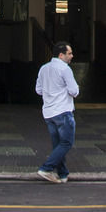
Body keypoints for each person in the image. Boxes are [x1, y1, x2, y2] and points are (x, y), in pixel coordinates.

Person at [35, 42, 79, 183]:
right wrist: (68, 90)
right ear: (61, 55)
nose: (72, 56)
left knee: (58, 144)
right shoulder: (65, 69)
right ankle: (46, 169)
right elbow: (74, 91)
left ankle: (63, 173)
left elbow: (38, 90)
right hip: (63, 111)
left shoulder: (43, 68)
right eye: (69, 53)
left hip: (49, 113)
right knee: (66, 143)